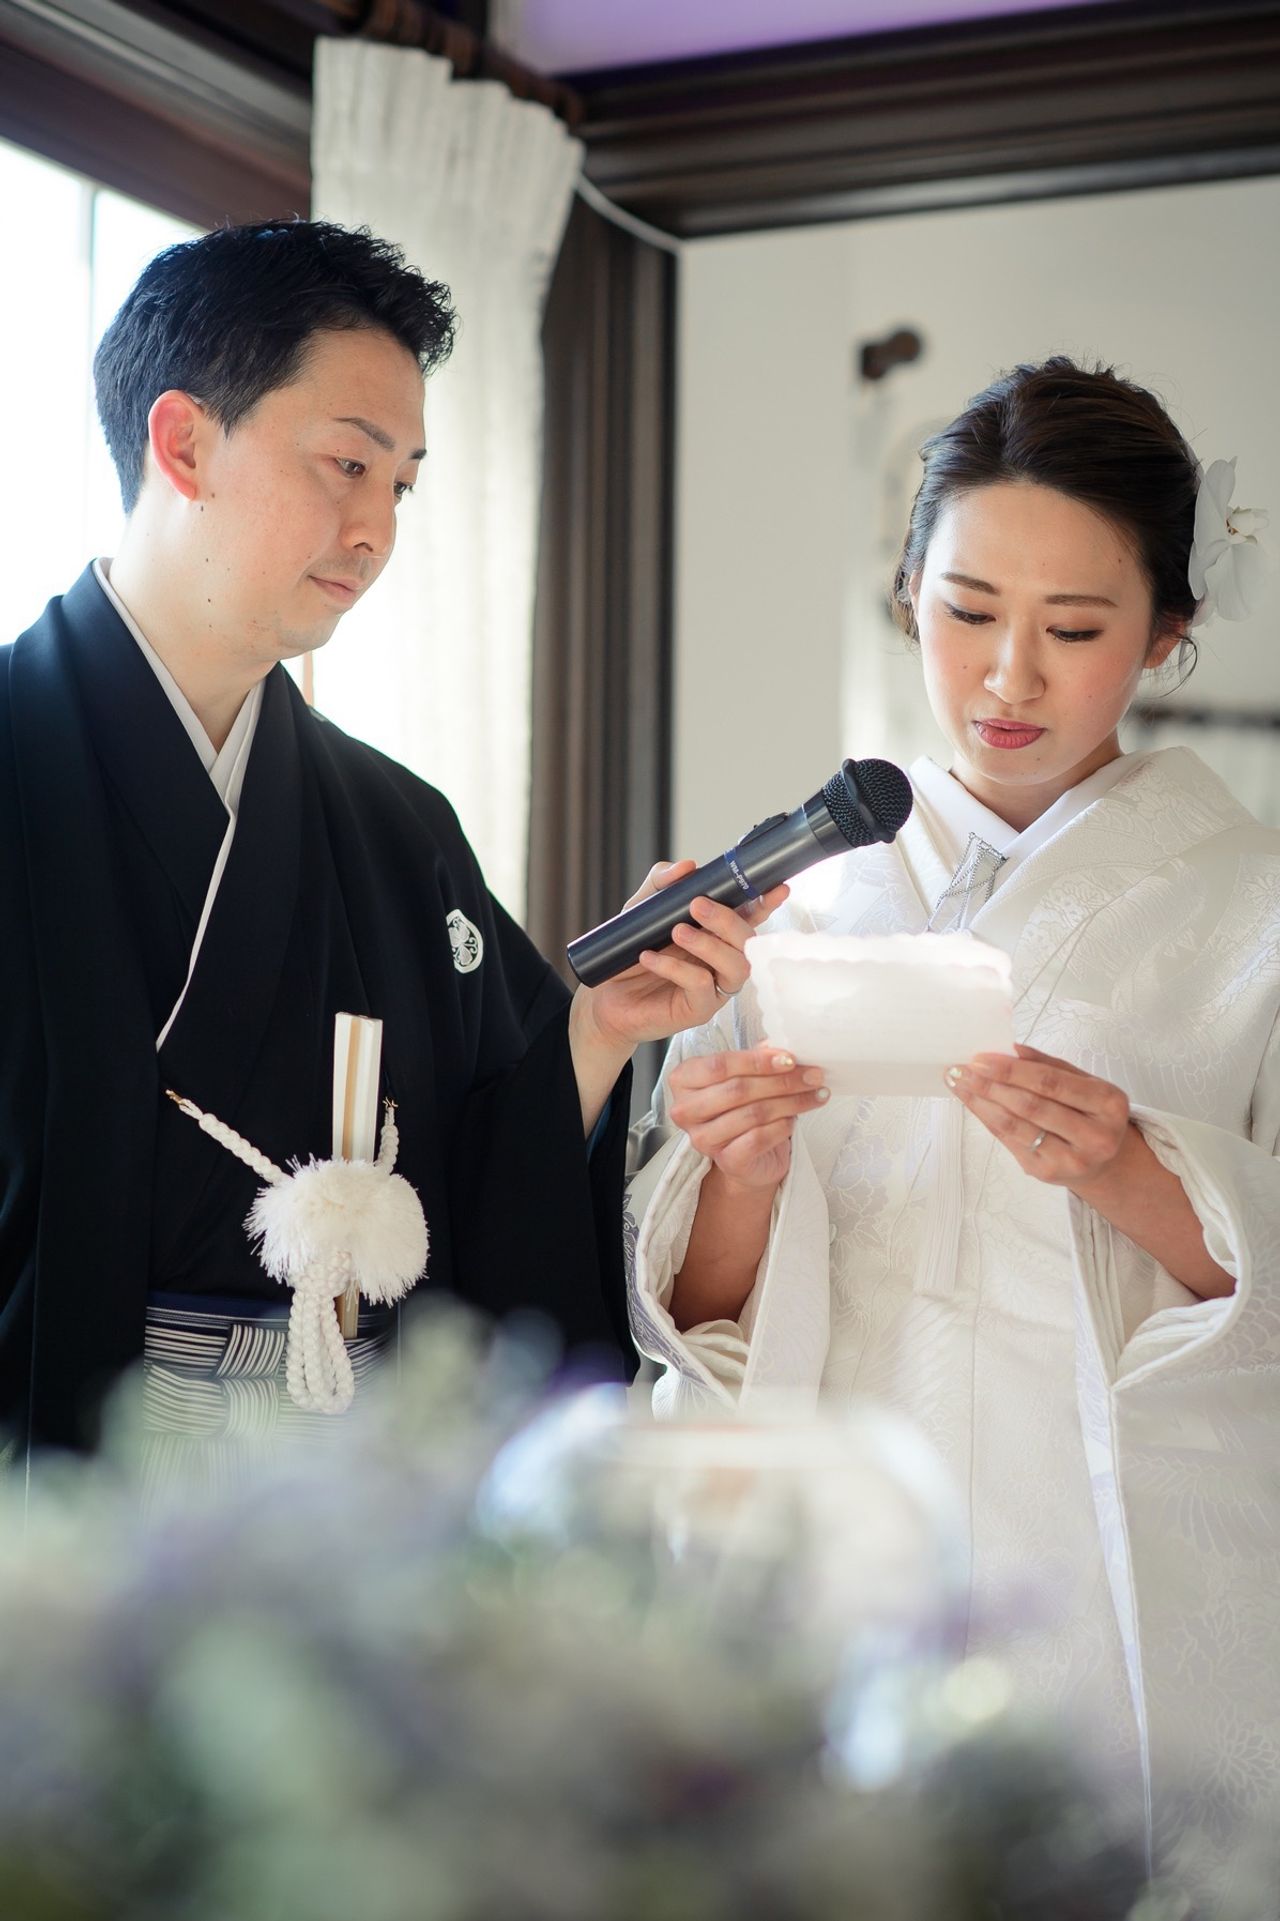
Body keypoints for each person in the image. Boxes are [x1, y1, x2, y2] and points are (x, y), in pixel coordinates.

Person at [626, 358, 1279, 1908]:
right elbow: (700, 1317)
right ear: (906, 588)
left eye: (1076, 629)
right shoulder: (787, 897)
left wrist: (1134, 1172)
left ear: (1167, 633)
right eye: (967, 609)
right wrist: (742, 1173)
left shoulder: (1252, 910)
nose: (1007, 677)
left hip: (1110, 1564)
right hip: (835, 1557)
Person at [0, 218, 773, 1467]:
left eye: (399, 484)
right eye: (346, 463)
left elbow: (489, 1167)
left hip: (341, 1490)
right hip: (55, 1488)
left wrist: (598, 1029)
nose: (374, 528)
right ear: (183, 442)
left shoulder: (395, 823)